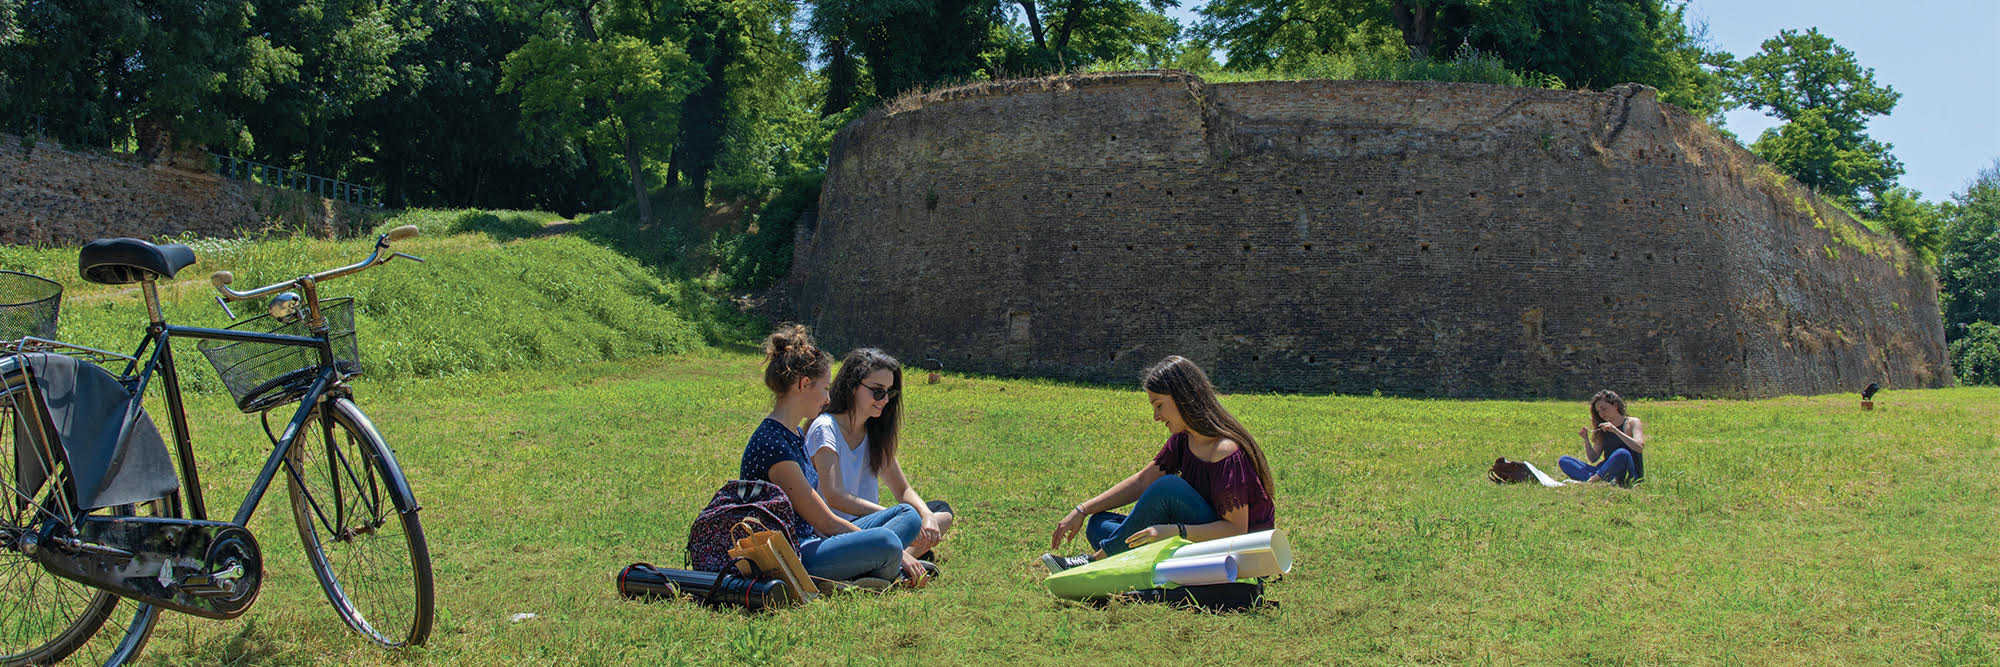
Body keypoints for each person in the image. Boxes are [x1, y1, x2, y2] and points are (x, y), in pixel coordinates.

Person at [1041, 356, 1276, 572]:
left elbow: (1236, 530)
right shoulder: (1184, 440)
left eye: (1159, 405)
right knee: (1099, 524)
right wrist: (1082, 510)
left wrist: (1175, 531)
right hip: (1196, 541)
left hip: (1237, 554)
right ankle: (1143, 558)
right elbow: (1143, 481)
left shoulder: (1225, 451)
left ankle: (1094, 562)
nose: (1156, 417)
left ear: (1183, 397)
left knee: (1169, 487)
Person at [738, 325, 927, 584]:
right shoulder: (773, 444)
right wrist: (895, 549)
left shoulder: (790, 434)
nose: (828, 398)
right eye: (825, 388)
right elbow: (825, 522)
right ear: (804, 385)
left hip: (817, 542)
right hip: (794, 554)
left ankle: (876, 565)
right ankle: (887, 566)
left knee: (907, 515)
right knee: (886, 541)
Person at [807, 348, 956, 561]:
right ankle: (900, 557)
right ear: (852, 386)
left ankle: (898, 557)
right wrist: (891, 515)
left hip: (873, 525)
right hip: (835, 531)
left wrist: (926, 516)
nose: (885, 399)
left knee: (941, 512)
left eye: (890, 392)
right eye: (877, 391)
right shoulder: (825, 428)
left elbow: (902, 489)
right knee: (906, 519)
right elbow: (835, 496)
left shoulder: (873, 432)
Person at [1558, 389, 1646, 484]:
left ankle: (1591, 481)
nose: (1601, 414)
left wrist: (1616, 431)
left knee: (1622, 453)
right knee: (1564, 460)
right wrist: (1586, 439)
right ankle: (1599, 479)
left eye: (1604, 409)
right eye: (1599, 411)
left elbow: (1639, 447)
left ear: (1615, 405)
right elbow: (1593, 458)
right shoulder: (1603, 427)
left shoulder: (1632, 422)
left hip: (1625, 471)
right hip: (1605, 471)